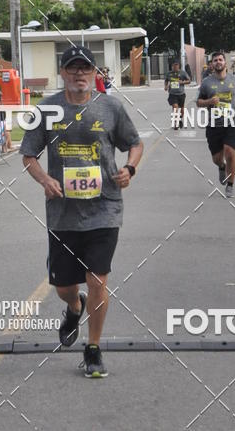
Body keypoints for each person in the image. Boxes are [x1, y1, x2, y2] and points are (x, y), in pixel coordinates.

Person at [20, 45, 143, 379]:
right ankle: (75, 307)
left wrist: (129, 169)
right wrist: (45, 179)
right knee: (64, 286)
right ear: (63, 73)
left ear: (94, 73)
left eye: (85, 68)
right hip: (63, 213)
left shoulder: (111, 107)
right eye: (72, 69)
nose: (79, 74)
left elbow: (135, 143)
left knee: (98, 277)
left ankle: (93, 348)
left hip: (105, 207)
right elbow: (29, 155)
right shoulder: (47, 110)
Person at [197, 51, 235, 198]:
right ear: (212, 64)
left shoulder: (234, 80)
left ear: (225, 62)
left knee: (230, 151)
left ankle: (230, 185)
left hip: (231, 123)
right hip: (214, 125)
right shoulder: (207, 82)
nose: (218, 62)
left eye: (220, 60)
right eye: (215, 60)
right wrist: (209, 102)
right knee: (217, 158)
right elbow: (198, 102)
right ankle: (221, 167)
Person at [164, 59, 190, 128]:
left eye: (176, 65)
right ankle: (176, 123)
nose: (175, 67)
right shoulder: (169, 73)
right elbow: (166, 80)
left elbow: (189, 80)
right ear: (172, 66)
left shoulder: (183, 73)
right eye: (173, 65)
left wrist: (182, 82)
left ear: (179, 66)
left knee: (182, 110)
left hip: (181, 94)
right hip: (172, 94)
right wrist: (166, 86)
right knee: (175, 107)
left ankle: (179, 119)